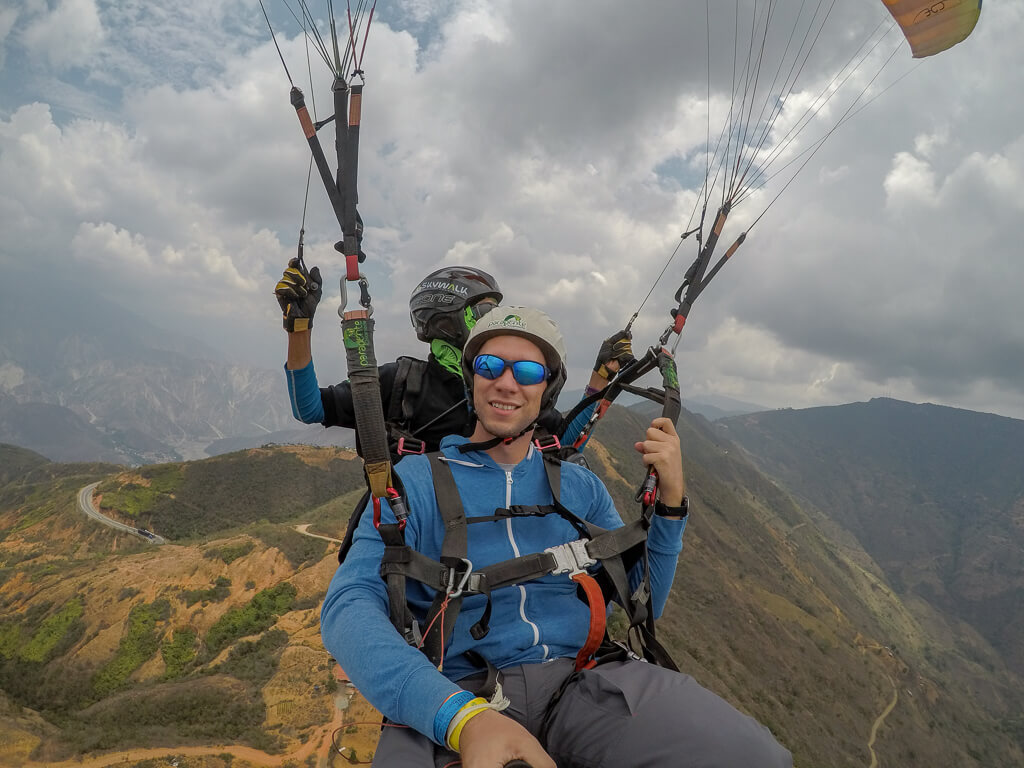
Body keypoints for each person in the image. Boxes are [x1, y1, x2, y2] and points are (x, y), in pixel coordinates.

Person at [320, 306, 793, 768]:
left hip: (583, 682)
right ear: (472, 379)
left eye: (527, 370)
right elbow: (348, 608)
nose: (507, 382)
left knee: (754, 756)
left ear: (546, 388)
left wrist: (670, 506)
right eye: (490, 365)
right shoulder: (415, 483)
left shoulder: (579, 486)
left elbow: (643, 601)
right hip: (455, 691)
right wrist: (460, 718)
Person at [275, 260, 634, 457]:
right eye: (483, 311)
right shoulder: (400, 384)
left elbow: (566, 442)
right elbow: (310, 408)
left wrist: (601, 378)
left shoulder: (499, 383)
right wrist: (299, 329)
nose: (493, 320)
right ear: (444, 319)